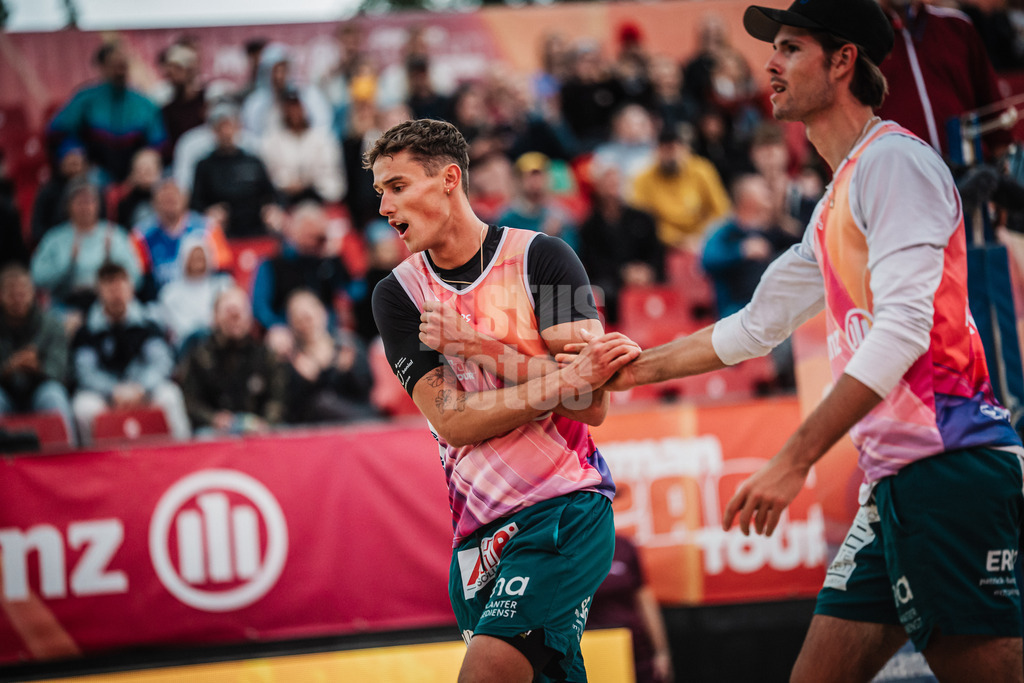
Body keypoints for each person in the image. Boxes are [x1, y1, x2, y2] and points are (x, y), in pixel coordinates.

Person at [573, 1, 1024, 679]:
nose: (770, 64)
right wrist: (630, 370)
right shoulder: (842, 193)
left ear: (843, 61)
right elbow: (754, 327)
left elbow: (903, 330)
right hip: (902, 477)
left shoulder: (894, 166)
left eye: (790, 48)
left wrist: (792, 459)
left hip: (947, 466)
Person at [366, 118, 639, 682]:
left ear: (448, 178)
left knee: (485, 676)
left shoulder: (547, 257)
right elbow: (455, 421)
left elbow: (592, 405)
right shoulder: (396, 295)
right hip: (477, 534)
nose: (384, 207)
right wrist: (557, 383)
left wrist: (478, 347)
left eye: (396, 186)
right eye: (379, 193)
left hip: (563, 509)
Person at [875, 0, 1012, 161]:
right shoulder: (858, 39)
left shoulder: (957, 26)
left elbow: (997, 123)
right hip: (895, 177)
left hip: (967, 175)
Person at [70, 262, 190, 444]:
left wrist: (140, 388)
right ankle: (91, 466)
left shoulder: (148, 323)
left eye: (121, 283)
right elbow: (85, 372)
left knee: (170, 395)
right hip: (106, 395)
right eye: (109, 284)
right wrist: (113, 391)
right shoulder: (87, 331)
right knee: (83, 407)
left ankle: (183, 456)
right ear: (99, 290)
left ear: (131, 287)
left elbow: (161, 362)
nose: (116, 291)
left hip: (143, 391)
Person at [47, 43, 166, 185]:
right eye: (114, 64)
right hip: (92, 176)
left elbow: (158, 143)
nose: (119, 70)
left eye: (123, 64)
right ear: (101, 67)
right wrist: (71, 150)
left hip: (136, 182)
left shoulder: (144, 104)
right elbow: (57, 132)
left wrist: (147, 160)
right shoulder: (86, 100)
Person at [177, 286, 287, 436]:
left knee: (282, 433)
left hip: (259, 429)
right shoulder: (200, 356)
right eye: (229, 313)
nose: (236, 318)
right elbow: (189, 402)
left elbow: (278, 399)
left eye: (240, 312)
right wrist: (213, 419)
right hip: (214, 431)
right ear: (215, 316)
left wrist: (266, 423)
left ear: (250, 317)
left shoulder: (265, 355)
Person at [251, 202, 359, 355]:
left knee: (350, 346)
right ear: (295, 232)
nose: (313, 240)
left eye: (317, 234)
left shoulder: (328, 261)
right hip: (287, 331)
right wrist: (276, 325)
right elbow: (260, 306)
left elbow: (354, 291)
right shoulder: (273, 264)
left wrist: (336, 260)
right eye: (308, 232)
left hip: (325, 331)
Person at [30, 179, 141, 315]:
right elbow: (37, 277)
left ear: (98, 205)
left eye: (89, 201)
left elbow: (136, 277)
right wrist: (67, 264)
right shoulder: (54, 238)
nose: (85, 207)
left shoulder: (114, 235)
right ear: (68, 206)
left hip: (108, 306)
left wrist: (112, 261)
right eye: (79, 202)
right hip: (66, 305)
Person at [0, 264, 74, 441]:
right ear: (1, 295)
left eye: (22, 293)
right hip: (4, 391)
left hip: (41, 389)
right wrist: (9, 367)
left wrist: (38, 368)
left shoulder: (52, 325)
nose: (18, 299)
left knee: (54, 395)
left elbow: (61, 371)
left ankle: (67, 458)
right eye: (11, 294)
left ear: (33, 293)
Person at [630, 124, 731, 252]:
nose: (670, 155)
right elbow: (644, 220)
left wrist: (702, 236)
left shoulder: (702, 170)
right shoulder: (643, 179)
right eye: (664, 149)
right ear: (656, 151)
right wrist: (679, 240)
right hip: (664, 245)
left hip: (705, 240)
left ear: (685, 149)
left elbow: (721, 210)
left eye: (673, 149)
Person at [281, 289, 376, 425]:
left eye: (309, 317)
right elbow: (292, 409)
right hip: (314, 428)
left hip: (358, 419)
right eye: (299, 319)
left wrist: (350, 371)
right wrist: (305, 381)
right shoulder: (291, 358)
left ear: (323, 313)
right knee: (321, 403)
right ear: (292, 324)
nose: (307, 324)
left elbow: (366, 391)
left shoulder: (349, 345)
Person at [589, 535, 674, 683]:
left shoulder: (624, 546)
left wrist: (661, 651)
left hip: (635, 650)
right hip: (593, 651)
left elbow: (645, 601)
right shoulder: (568, 550)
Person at [189, 103, 282, 238]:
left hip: (255, 223)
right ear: (213, 131)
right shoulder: (204, 166)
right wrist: (208, 212)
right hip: (222, 227)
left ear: (237, 128)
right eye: (221, 127)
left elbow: (272, 194)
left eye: (229, 126)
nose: (226, 132)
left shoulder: (253, 161)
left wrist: (271, 209)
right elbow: (195, 203)